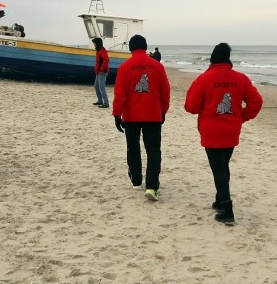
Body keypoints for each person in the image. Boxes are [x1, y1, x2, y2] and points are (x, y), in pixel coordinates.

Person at [184, 43, 263, 225]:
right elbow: (256, 102)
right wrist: (242, 117)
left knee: (218, 168)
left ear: (212, 59)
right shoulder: (241, 79)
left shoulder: (204, 79)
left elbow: (191, 107)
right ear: (229, 59)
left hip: (211, 130)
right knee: (223, 165)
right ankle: (220, 201)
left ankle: (227, 209)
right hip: (231, 129)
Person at [112, 34, 171, 201]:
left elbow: (120, 94)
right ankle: (152, 186)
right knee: (153, 151)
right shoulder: (157, 66)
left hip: (131, 116)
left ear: (130, 48)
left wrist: (117, 114)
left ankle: (136, 181)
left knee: (133, 148)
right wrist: (163, 111)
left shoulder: (125, 66)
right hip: (153, 115)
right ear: (146, 47)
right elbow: (165, 92)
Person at [91, 37, 110, 108]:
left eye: (95, 43)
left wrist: (101, 69)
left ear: (98, 43)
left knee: (101, 87)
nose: (94, 44)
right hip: (99, 72)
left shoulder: (102, 51)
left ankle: (106, 103)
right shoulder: (99, 50)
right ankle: (100, 101)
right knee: (96, 86)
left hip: (102, 72)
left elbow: (106, 60)